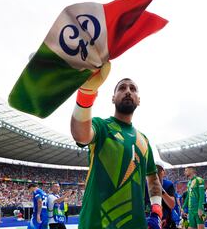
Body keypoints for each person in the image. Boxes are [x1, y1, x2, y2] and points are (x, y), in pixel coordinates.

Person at [70, 62, 163, 229]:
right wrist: (86, 94)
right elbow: (80, 135)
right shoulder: (101, 126)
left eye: (133, 89)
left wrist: (156, 211)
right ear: (113, 98)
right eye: (122, 88)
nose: (128, 91)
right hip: (96, 223)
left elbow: (153, 179)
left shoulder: (144, 140)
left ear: (139, 100)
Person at [155, 161, 176, 229]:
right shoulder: (145, 185)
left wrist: (162, 191)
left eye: (159, 170)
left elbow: (172, 204)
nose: (157, 173)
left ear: (164, 172)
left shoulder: (168, 184)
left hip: (165, 221)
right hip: (151, 220)